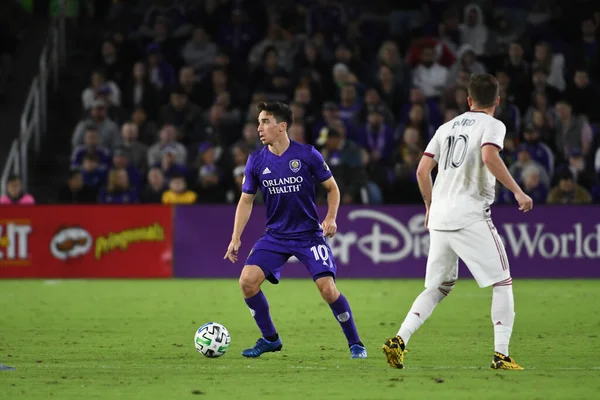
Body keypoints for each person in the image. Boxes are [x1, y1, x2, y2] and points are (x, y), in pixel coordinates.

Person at [382, 74, 533, 370]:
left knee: (439, 287)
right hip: (469, 214)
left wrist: (429, 207)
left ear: (468, 100)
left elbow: (422, 170)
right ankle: (501, 354)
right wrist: (518, 191)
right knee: (502, 281)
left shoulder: (446, 127)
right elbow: (489, 157)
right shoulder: (493, 125)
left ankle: (399, 340)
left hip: (440, 216)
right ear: (497, 101)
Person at [223, 101, 367, 359]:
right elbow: (246, 201)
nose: (259, 128)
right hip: (275, 236)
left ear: (282, 126)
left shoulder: (308, 154)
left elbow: (332, 188)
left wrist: (331, 218)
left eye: (265, 122)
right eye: (258, 122)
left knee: (327, 288)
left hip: (309, 236)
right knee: (247, 282)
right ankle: (270, 339)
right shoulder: (256, 161)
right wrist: (236, 238)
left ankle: (356, 343)